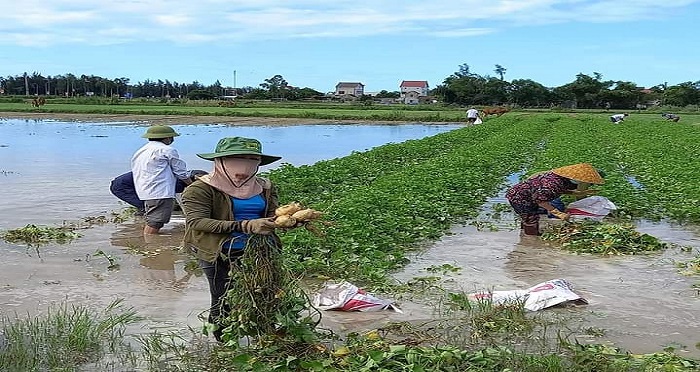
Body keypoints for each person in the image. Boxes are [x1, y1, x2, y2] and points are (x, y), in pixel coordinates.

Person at [181, 136, 281, 342]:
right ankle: (223, 343)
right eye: (236, 158)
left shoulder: (265, 187)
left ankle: (266, 339)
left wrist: (284, 221)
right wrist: (244, 226)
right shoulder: (200, 189)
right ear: (220, 161)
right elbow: (197, 222)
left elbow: (272, 214)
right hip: (219, 252)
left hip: (261, 250)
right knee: (223, 297)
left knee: (265, 293)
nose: (244, 165)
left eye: (252, 160)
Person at [506, 163, 604, 236]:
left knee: (529, 216)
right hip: (519, 197)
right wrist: (558, 213)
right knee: (531, 218)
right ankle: (530, 241)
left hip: (529, 196)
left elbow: (559, 190)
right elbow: (541, 201)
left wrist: (577, 193)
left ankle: (525, 233)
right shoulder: (552, 183)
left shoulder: (561, 179)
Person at [131, 125, 193, 235]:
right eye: (171, 137)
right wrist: (191, 184)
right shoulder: (167, 150)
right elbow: (180, 172)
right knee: (156, 221)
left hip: (146, 189)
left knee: (153, 218)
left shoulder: (141, 151)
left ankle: (148, 243)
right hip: (160, 191)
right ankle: (150, 245)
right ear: (167, 138)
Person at [110, 171, 206, 216]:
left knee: (149, 203)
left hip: (129, 183)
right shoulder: (178, 183)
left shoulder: (177, 175)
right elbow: (181, 200)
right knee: (146, 207)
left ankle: (139, 221)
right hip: (121, 186)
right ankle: (141, 226)